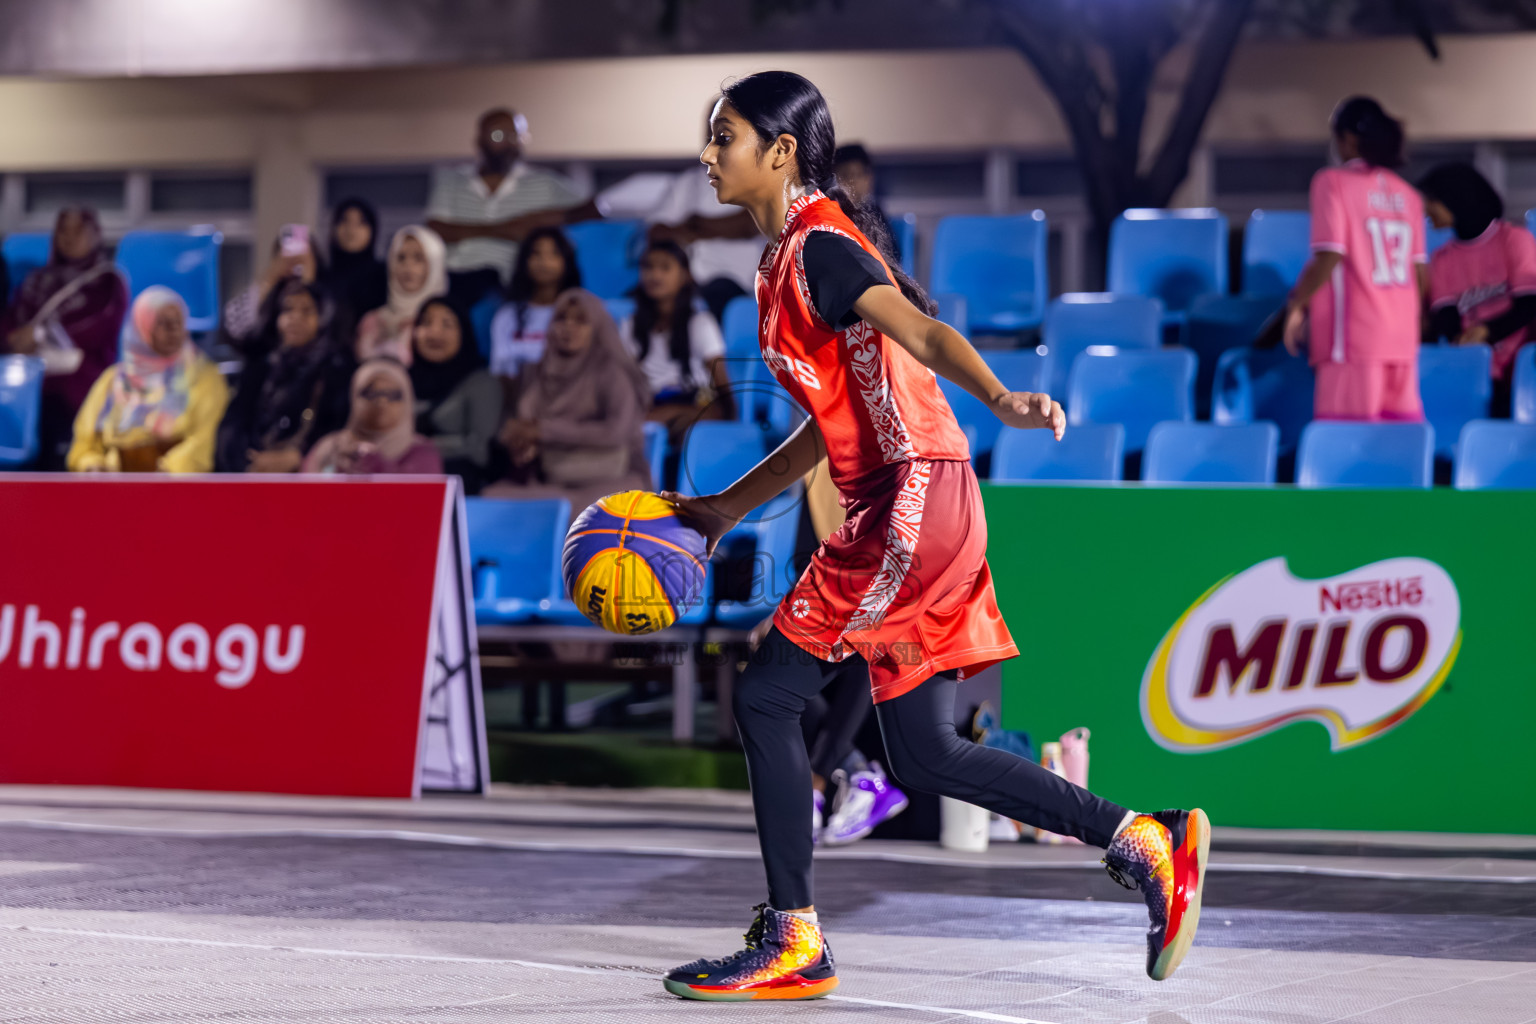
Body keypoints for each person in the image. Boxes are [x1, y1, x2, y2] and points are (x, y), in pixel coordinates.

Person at [660, 71, 1209, 1001]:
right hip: (915, 500)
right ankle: (1142, 838)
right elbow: (824, 425)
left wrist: (1002, 397)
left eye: (725, 136)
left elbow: (923, 332)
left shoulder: (821, 246)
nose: (708, 154)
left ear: (781, 152)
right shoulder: (784, 259)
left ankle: (793, 939)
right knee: (923, 753)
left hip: (909, 500)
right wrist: (723, 510)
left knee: (767, 695)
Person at [1284, 97, 1427, 422]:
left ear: (1347, 139)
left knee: (1346, 443)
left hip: (1354, 340)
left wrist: (1297, 304)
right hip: (1402, 340)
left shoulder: (1331, 182)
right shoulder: (1408, 195)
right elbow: (1419, 271)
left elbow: (1330, 254)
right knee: (1398, 444)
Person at [484, 288, 652, 512]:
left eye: (581, 321)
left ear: (597, 327)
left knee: (580, 513)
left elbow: (616, 432)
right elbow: (523, 423)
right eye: (561, 319)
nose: (568, 327)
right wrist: (522, 444)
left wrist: (544, 430)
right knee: (490, 499)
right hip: (551, 477)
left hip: (611, 479)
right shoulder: (537, 371)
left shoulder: (612, 372)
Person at [426, 108, 601, 309]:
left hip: (512, 285)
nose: (508, 143)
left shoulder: (545, 183)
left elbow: (594, 210)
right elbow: (435, 229)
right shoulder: (451, 182)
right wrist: (508, 229)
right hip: (454, 279)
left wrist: (541, 221)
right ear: (479, 140)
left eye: (515, 136)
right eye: (498, 135)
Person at [0, 206, 130, 469]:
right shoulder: (36, 279)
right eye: (63, 230)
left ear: (96, 234)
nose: (70, 238)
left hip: (79, 382)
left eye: (78, 230)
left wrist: (39, 336)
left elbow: (97, 328)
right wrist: (12, 338)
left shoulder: (109, 281)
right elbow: (11, 317)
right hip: (30, 378)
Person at [598, 121, 765, 323]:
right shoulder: (688, 181)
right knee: (627, 304)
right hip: (682, 279)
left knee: (717, 296)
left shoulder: (758, 179)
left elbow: (750, 224)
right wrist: (702, 228)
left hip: (733, 281)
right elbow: (656, 231)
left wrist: (695, 224)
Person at [67, 286, 229, 474]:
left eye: (178, 321)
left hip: (176, 485)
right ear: (141, 326)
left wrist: (163, 474)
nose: (173, 330)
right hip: (115, 485)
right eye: (162, 322)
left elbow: (204, 442)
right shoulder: (113, 381)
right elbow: (84, 443)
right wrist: (93, 465)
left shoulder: (204, 377)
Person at [1419, 162, 1536, 417]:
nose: (1426, 209)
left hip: (1520, 369)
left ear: (1455, 200)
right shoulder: (1442, 259)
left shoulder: (1514, 239)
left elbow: (1529, 305)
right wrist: (1460, 340)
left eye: (1432, 201)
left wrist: (1487, 331)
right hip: (1472, 370)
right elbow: (1446, 317)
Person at [215, 279, 355, 473]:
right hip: (251, 473)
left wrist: (298, 457)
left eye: (307, 311)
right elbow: (233, 426)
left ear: (324, 317)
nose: (295, 318)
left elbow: (337, 428)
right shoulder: (260, 367)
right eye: (287, 310)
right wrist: (247, 463)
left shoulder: (337, 370)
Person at [621, 239, 732, 438]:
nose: (655, 275)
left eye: (665, 268)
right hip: (649, 405)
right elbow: (625, 380)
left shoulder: (700, 323)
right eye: (648, 267)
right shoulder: (630, 325)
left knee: (681, 425)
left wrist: (732, 422)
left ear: (684, 276)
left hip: (693, 405)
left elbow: (722, 385)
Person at [411, 297, 502, 492]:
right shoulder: (402, 379)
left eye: (447, 324)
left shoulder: (480, 382)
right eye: (426, 323)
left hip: (460, 485)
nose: (435, 333)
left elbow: (480, 448)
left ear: (464, 332)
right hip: (404, 478)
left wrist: (422, 446)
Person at [487, 225, 582, 402]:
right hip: (518, 399)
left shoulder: (581, 313)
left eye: (553, 254)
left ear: (567, 261)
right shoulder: (507, 315)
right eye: (536, 254)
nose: (544, 262)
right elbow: (501, 371)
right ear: (525, 261)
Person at [303, 357, 443, 475]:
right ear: (354, 398)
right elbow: (306, 492)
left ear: (407, 400)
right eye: (371, 394)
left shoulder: (422, 453)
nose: (382, 402)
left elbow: (421, 497)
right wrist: (336, 466)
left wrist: (376, 467)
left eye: (393, 395)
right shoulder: (329, 448)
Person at [355, 225, 448, 365]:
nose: (408, 266)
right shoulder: (371, 321)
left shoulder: (445, 324)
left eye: (418, 258)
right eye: (401, 258)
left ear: (435, 265)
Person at [326, 198, 389, 341]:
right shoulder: (322, 275)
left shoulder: (383, 275)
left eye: (361, 222)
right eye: (344, 221)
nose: (351, 229)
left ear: (373, 230)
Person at [832, 143, 900, 266]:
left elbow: (892, 257)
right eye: (845, 175)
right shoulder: (830, 215)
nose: (852, 182)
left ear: (869, 178)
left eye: (857, 175)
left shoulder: (875, 215)